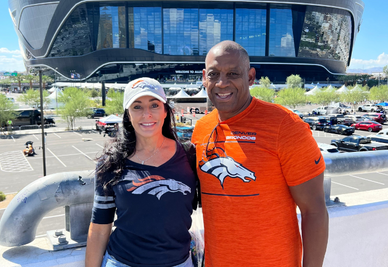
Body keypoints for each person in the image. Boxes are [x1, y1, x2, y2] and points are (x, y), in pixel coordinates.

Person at [191, 41, 328, 266]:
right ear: (204, 77)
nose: (222, 83)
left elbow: (314, 210)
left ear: (251, 77)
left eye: (233, 73)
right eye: (214, 74)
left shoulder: (285, 125)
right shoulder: (202, 128)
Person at [86, 78, 196, 267]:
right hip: (122, 262)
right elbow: (99, 229)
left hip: (180, 262)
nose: (147, 114)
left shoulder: (189, 154)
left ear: (165, 111)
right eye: (137, 107)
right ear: (128, 114)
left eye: (154, 105)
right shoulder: (112, 162)